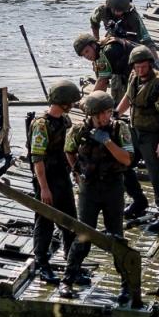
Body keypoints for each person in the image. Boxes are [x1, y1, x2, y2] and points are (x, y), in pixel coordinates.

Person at [63, 91, 135, 301]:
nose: (105, 117)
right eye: (100, 114)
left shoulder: (120, 129)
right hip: (89, 189)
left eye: (108, 112)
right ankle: (68, 280)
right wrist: (77, 171)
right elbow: (69, 150)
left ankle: (126, 286)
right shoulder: (78, 130)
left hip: (113, 187)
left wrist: (108, 142)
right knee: (83, 235)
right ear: (91, 115)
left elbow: (127, 159)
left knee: (117, 237)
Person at [73, 33, 147, 217]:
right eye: (83, 55)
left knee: (123, 161)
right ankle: (137, 199)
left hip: (137, 85)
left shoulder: (106, 52)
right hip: (131, 84)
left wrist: (88, 102)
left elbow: (103, 81)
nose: (87, 56)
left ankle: (138, 200)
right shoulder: (103, 52)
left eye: (87, 51)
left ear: (93, 45)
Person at [116, 46, 159, 233]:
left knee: (157, 175)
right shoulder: (134, 77)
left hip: (152, 136)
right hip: (134, 132)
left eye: (143, 66)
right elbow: (128, 98)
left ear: (150, 64)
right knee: (122, 163)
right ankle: (138, 200)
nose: (140, 70)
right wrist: (116, 114)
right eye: (137, 67)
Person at [28, 80, 82, 283]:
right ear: (64, 102)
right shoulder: (41, 125)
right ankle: (42, 264)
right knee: (45, 222)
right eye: (71, 101)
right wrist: (44, 188)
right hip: (46, 179)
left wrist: (75, 171)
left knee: (70, 221)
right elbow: (37, 159)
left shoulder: (65, 121)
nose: (73, 105)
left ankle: (72, 264)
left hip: (62, 176)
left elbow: (69, 150)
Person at [90, 0, 158, 57]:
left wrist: (156, 59)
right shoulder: (102, 11)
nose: (119, 13)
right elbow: (94, 23)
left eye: (121, 10)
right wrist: (97, 40)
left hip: (130, 41)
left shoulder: (133, 16)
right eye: (116, 10)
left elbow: (146, 39)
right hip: (112, 35)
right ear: (110, 6)